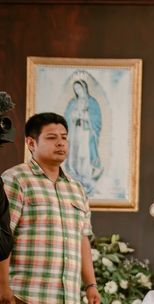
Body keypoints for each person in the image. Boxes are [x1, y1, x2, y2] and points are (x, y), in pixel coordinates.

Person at [0, 113, 100, 304]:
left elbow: (82, 238)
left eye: (64, 137)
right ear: (31, 143)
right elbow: (3, 237)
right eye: (52, 138)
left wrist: (91, 285)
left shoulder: (76, 188)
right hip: (24, 295)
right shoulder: (15, 179)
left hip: (67, 297)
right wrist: (3, 287)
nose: (61, 143)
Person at [64, 79, 103, 194]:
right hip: (75, 131)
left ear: (84, 88)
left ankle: (85, 176)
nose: (77, 90)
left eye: (79, 88)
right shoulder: (72, 102)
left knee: (84, 153)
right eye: (75, 89)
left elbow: (97, 119)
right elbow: (66, 118)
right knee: (74, 152)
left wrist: (86, 116)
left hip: (86, 132)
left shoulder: (92, 102)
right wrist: (73, 116)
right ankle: (74, 175)